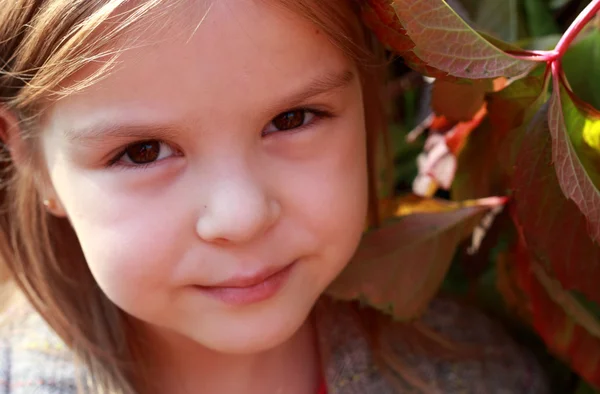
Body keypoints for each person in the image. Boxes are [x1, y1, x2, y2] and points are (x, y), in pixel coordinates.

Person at [0, 0, 549, 393]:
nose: (241, 217)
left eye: (292, 119)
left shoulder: (481, 375)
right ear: (31, 159)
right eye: (143, 151)